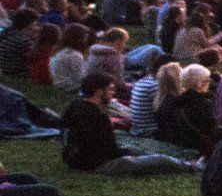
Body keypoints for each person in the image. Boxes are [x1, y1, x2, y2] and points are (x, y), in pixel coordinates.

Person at [62, 72, 199, 176]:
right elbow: (111, 151)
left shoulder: (75, 105)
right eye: (110, 89)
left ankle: (185, 160)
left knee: (137, 150)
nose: (113, 93)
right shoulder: (97, 116)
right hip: (96, 164)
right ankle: (193, 167)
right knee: (159, 159)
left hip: (75, 159)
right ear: (98, 91)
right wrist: (127, 152)